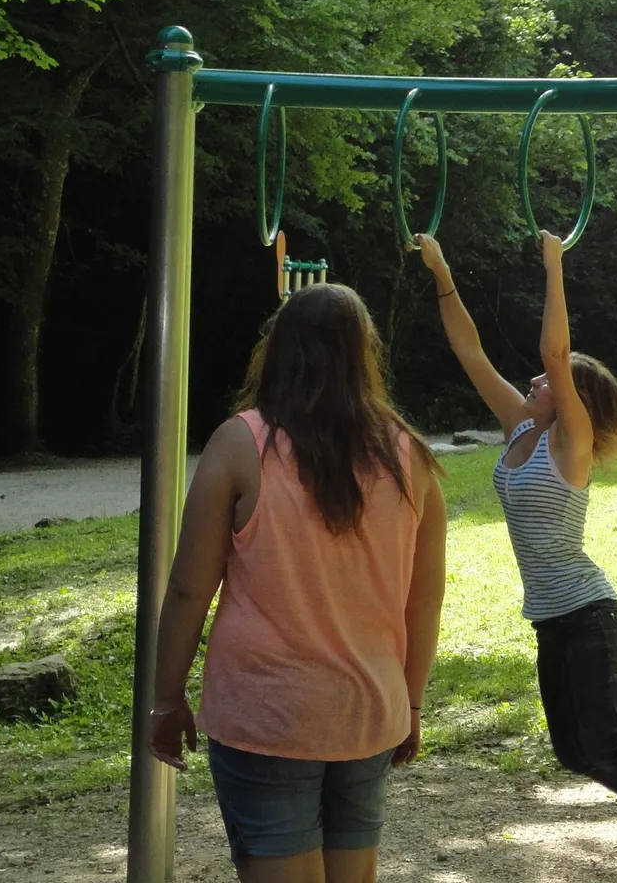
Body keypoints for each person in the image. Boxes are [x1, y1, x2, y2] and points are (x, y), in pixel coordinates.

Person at [418, 232, 617, 882]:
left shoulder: (569, 442)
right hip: (552, 618)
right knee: (574, 753)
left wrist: (554, 265)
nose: (535, 376)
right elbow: (468, 351)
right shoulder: (524, 426)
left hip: (589, 613)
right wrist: (441, 269)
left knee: (604, 743)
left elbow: (555, 348)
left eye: (548, 378)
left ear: (571, 397)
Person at [147, 283, 449, 883]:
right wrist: (411, 702)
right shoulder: (411, 457)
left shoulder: (241, 444)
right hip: (368, 708)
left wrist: (167, 696)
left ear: (279, 350)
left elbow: (188, 587)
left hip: (267, 713)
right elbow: (425, 600)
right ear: (365, 355)